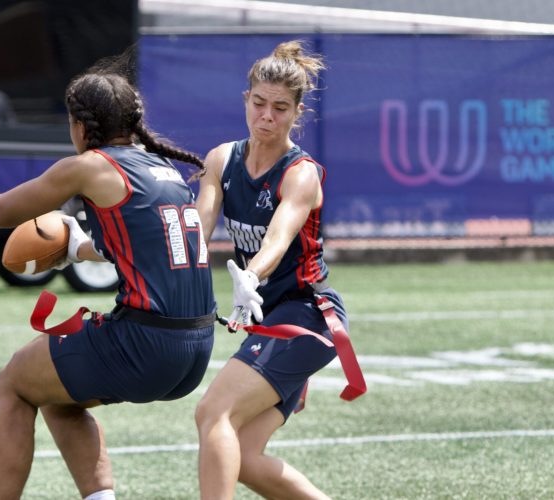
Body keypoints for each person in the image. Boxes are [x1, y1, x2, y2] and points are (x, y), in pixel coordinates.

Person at [0, 65, 216, 500]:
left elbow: (2, 212)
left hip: (146, 343)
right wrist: (77, 246)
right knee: (57, 393)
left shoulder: (89, 167)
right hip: (197, 349)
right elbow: (135, 245)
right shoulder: (162, 169)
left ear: (80, 126)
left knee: (14, 381)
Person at [194, 40, 364, 499]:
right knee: (245, 457)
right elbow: (198, 231)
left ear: (297, 112)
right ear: (245, 100)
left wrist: (251, 276)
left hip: (307, 317)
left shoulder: (300, 172)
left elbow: (278, 237)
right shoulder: (221, 160)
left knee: (213, 413)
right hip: (268, 323)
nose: (267, 116)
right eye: (259, 103)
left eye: (280, 108)